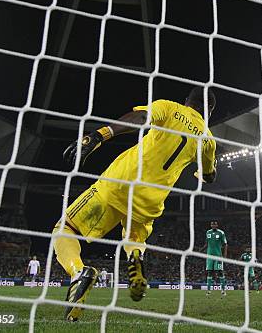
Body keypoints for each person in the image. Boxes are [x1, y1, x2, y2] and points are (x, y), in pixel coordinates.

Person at [53, 87, 217, 321]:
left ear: (187, 101)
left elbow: (141, 118)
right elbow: (210, 175)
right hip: (151, 201)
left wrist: (99, 136)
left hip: (120, 183)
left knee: (65, 227)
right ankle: (135, 261)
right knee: (135, 238)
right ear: (209, 110)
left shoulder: (170, 107)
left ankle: (78, 272)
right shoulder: (208, 139)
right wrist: (202, 172)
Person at [201, 221, 227, 297]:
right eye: (212, 224)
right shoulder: (208, 232)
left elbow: (225, 244)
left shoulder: (221, 233)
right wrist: (200, 250)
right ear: (210, 225)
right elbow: (206, 243)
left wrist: (225, 254)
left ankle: (223, 290)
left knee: (220, 272)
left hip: (218, 256)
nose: (213, 225)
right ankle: (208, 290)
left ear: (217, 225)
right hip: (209, 256)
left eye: (215, 224)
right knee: (209, 272)